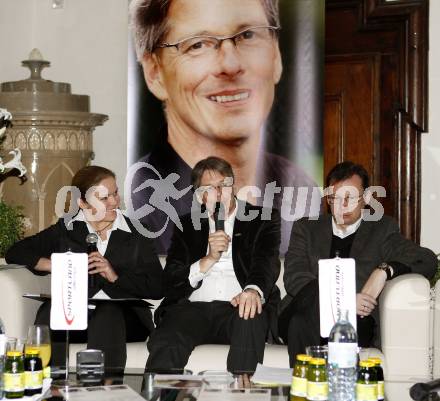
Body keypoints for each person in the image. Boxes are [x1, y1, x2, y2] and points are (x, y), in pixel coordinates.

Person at [128, 0, 320, 255]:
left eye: (248, 35)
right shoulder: (144, 200)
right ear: (154, 73)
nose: (230, 65)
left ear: (276, 56)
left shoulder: (300, 187)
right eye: (198, 44)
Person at [5, 165, 163, 372]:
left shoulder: (137, 232)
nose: (115, 202)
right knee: (50, 310)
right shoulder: (67, 229)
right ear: (82, 203)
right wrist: (54, 265)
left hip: (127, 318)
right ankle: (50, 383)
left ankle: (104, 390)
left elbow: (157, 286)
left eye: (115, 194)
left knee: (107, 313)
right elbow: (16, 252)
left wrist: (115, 276)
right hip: (78, 314)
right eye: (104, 198)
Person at [279, 161, 437, 366]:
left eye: (349, 198)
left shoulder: (381, 230)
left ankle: (308, 389)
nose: (341, 206)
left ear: (366, 198)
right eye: (334, 198)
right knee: (301, 319)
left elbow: (427, 260)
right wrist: (342, 301)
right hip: (302, 310)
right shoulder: (308, 228)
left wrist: (383, 272)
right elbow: (295, 277)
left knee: (300, 324)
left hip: (355, 322)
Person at [145, 156, 281, 373]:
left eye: (223, 186)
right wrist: (207, 260)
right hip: (194, 308)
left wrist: (252, 291)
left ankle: (241, 396)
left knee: (250, 315)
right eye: (209, 189)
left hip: (238, 306)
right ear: (200, 197)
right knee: (170, 333)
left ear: (233, 185)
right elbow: (172, 279)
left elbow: (266, 262)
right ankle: (161, 396)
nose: (218, 194)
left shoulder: (261, 219)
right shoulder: (186, 225)